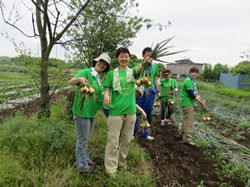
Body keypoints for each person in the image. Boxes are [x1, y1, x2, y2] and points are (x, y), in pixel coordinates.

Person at [103, 47, 144, 178]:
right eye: (121, 56)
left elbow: (139, 69)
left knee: (126, 140)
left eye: (126, 56)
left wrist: (145, 62)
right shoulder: (112, 74)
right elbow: (108, 89)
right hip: (115, 112)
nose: (124, 58)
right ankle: (110, 168)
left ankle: (121, 162)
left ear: (129, 58)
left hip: (130, 112)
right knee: (113, 141)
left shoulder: (132, 73)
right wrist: (106, 95)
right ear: (117, 58)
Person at [69, 53, 111, 173]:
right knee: (82, 139)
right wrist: (79, 79)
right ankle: (81, 165)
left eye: (105, 64)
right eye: (100, 62)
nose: (102, 65)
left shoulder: (97, 78)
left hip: (91, 112)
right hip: (82, 112)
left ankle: (86, 159)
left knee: (86, 138)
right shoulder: (86, 72)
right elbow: (70, 81)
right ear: (96, 62)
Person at [133, 47, 160, 140]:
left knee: (148, 112)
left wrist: (158, 91)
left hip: (150, 92)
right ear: (143, 55)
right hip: (139, 92)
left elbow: (156, 80)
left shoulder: (155, 67)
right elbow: (135, 72)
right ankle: (133, 134)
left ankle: (145, 134)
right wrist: (144, 64)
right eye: (147, 55)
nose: (149, 58)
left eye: (150, 56)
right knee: (137, 112)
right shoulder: (139, 65)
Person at [180, 67, 206, 146]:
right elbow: (191, 94)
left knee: (186, 120)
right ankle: (187, 139)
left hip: (188, 103)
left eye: (196, 72)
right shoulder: (188, 81)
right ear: (190, 73)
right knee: (189, 121)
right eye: (193, 72)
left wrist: (201, 99)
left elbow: (195, 93)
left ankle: (182, 136)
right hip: (187, 103)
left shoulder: (193, 81)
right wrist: (200, 103)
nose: (194, 74)